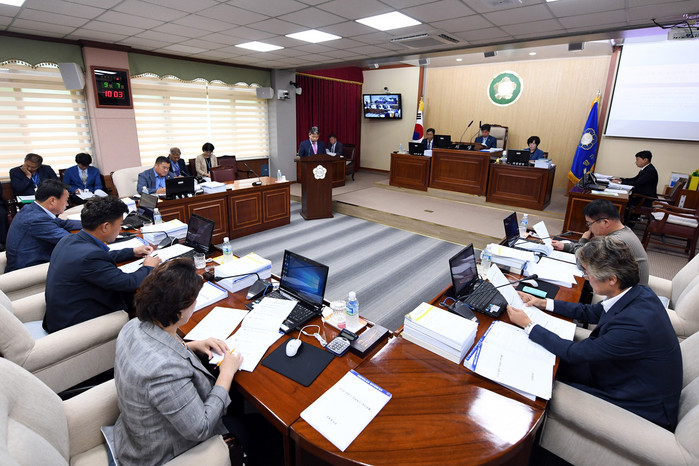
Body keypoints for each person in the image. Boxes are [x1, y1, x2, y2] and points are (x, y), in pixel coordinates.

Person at [507, 236, 682, 431]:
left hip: (636, 401)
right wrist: (543, 303)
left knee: (533, 377)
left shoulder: (634, 325)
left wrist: (529, 325)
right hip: (621, 371)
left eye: (588, 273)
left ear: (612, 279)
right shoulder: (639, 292)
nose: (586, 277)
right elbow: (592, 312)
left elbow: (576, 354)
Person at [113, 259, 245, 465]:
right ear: (179, 312)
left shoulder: (133, 326)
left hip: (135, 433)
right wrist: (226, 374)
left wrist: (192, 345)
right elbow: (200, 427)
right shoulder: (163, 370)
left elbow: (159, 347)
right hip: (163, 452)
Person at [43, 197, 160, 333]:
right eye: (120, 224)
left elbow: (101, 257)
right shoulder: (90, 257)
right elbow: (129, 283)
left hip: (62, 312)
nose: (120, 228)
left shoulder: (69, 239)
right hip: (76, 324)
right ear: (105, 226)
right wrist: (148, 267)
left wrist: (133, 252)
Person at [551, 199, 649, 285]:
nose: (589, 228)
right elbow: (588, 250)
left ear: (605, 222)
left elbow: (582, 262)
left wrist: (583, 240)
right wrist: (565, 246)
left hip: (627, 294)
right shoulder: (624, 231)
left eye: (589, 223)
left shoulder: (616, 241)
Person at [5, 179, 81, 273]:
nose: (67, 204)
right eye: (66, 200)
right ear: (52, 201)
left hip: (32, 260)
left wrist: (92, 223)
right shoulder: (37, 220)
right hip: (28, 271)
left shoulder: (31, 209)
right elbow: (69, 241)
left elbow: (63, 223)